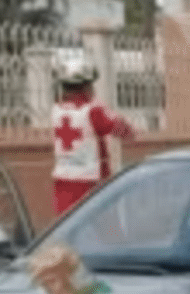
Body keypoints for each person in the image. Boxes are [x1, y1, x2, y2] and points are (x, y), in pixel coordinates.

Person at [51, 60, 135, 215]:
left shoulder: (56, 110)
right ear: (86, 87)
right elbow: (126, 133)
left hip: (62, 182)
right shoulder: (93, 111)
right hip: (90, 183)